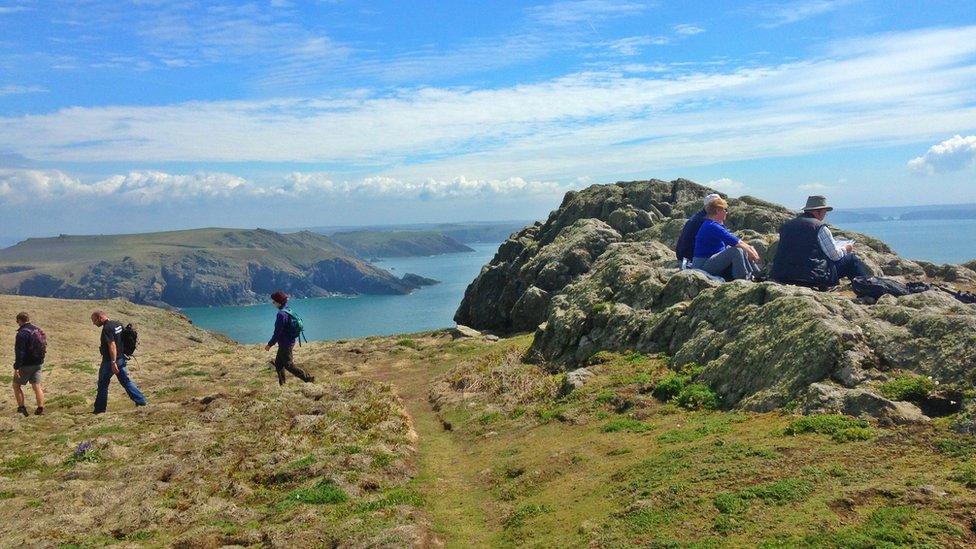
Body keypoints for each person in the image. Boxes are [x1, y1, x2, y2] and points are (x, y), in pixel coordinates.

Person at [771, 195, 870, 288]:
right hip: (812, 277)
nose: (824, 216)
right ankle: (866, 288)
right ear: (818, 212)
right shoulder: (819, 227)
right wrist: (846, 249)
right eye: (824, 212)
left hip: (783, 275)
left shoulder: (787, 225)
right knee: (851, 259)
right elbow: (834, 256)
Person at [691, 197, 762, 281]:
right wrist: (751, 251)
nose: (727, 212)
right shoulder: (711, 226)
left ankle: (756, 275)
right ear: (717, 210)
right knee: (736, 251)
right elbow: (735, 242)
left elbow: (736, 240)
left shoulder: (713, 224)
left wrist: (749, 249)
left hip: (710, 260)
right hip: (702, 266)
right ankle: (743, 279)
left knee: (742, 249)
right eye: (725, 209)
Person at [91, 311, 147, 414]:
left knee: (103, 384)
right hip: (121, 358)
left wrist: (113, 362)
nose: (94, 323)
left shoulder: (107, 328)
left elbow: (112, 345)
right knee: (126, 381)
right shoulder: (117, 324)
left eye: (94, 320)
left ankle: (99, 410)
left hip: (110, 361)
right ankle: (141, 401)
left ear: (100, 318)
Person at [265, 291, 314, 385]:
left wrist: (269, 345)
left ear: (278, 302)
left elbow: (277, 333)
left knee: (288, 365)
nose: (273, 303)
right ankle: (282, 384)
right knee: (278, 363)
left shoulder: (281, 315)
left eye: (274, 301)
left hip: (285, 344)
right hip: (290, 341)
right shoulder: (288, 310)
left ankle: (308, 378)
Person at [675, 193, 722, 267]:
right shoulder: (704, 221)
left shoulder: (698, 217)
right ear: (708, 207)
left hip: (684, 256)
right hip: (691, 258)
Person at [12, 312, 45, 416]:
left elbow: (20, 352)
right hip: (38, 363)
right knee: (37, 386)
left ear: (19, 320)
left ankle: (22, 408)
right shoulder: (37, 329)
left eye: (17, 321)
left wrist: (16, 367)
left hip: (26, 365)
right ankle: (40, 408)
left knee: (16, 385)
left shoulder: (21, 334)